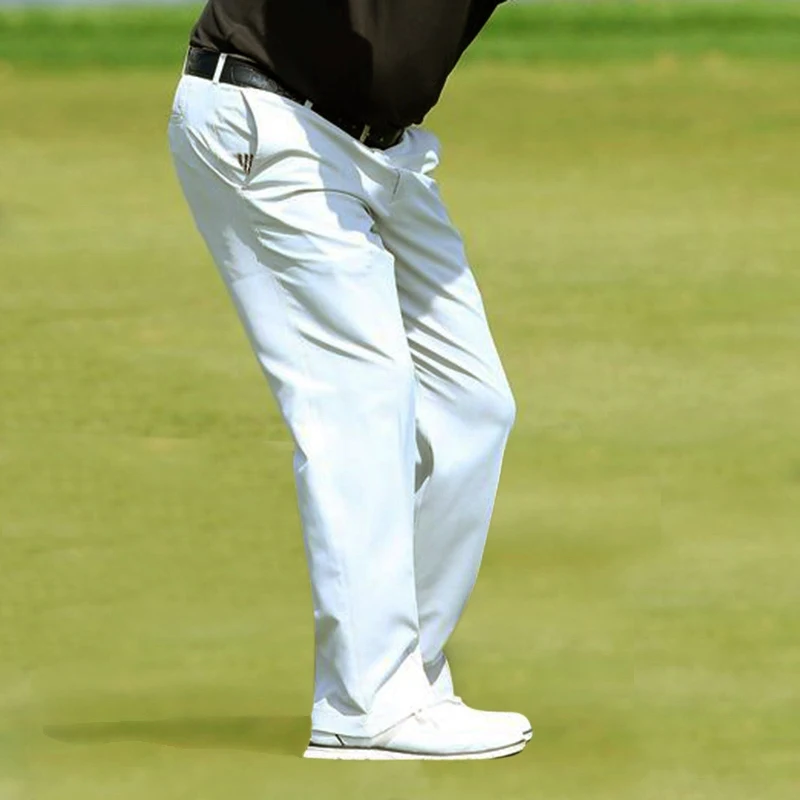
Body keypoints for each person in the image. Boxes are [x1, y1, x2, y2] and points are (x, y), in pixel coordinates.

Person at [168, 0, 530, 761]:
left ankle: (408, 680)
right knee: (364, 404)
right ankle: (367, 704)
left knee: (473, 406)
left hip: (385, 155)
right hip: (270, 121)